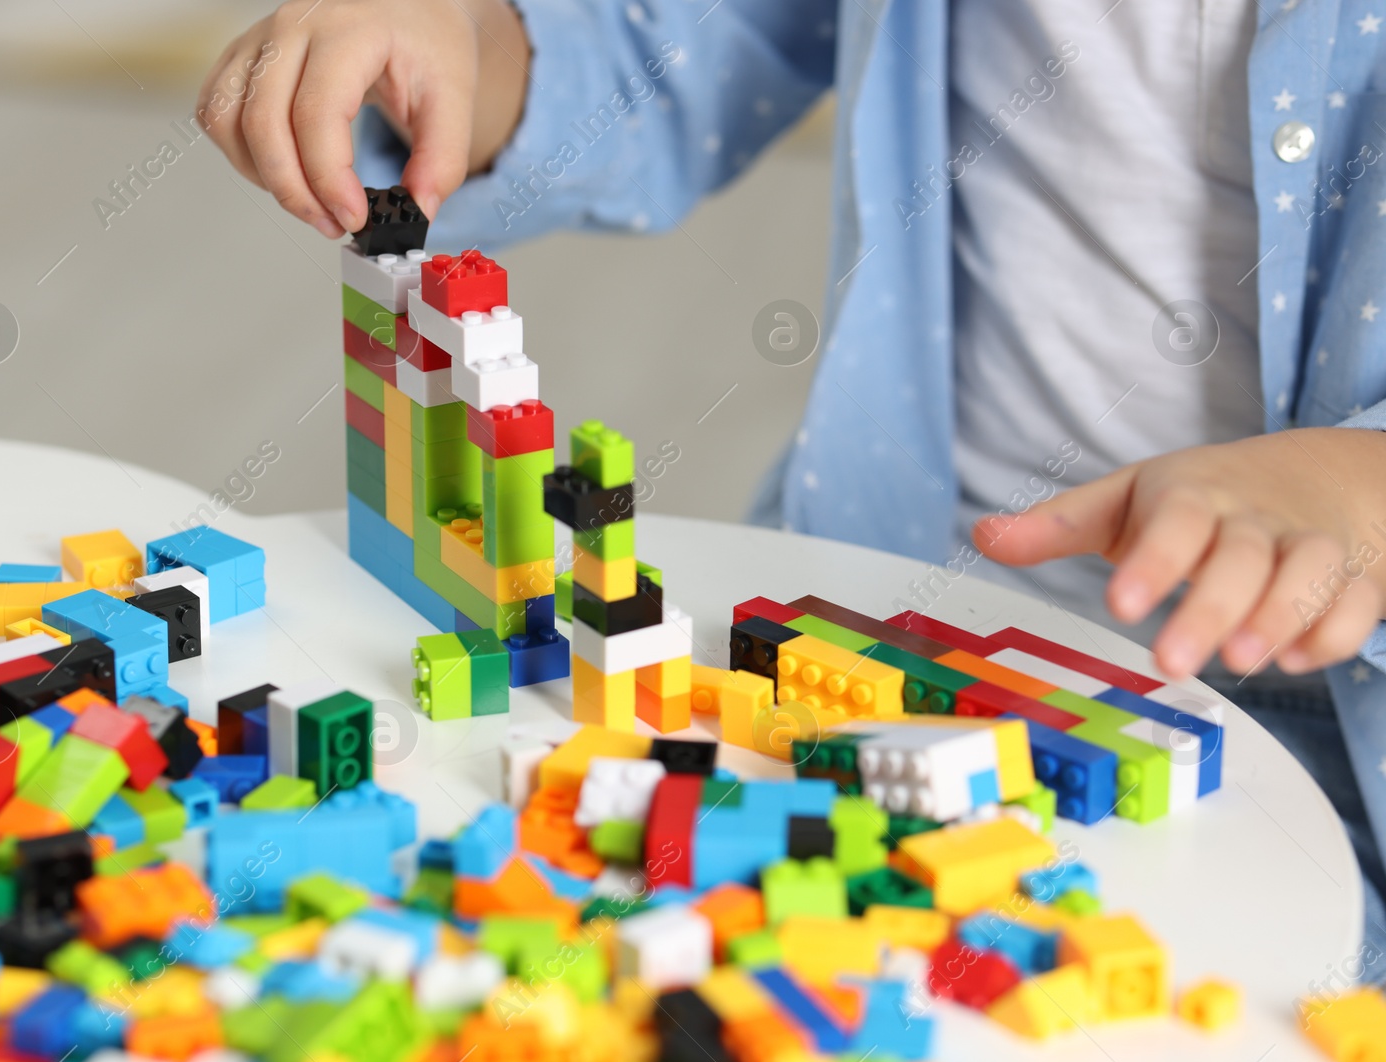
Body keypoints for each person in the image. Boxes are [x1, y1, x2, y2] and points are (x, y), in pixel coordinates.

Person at [199, 0, 1386, 971]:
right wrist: (467, 43)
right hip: (879, 597)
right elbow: (678, 46)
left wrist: (1361, 484)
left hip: (1338, 744)